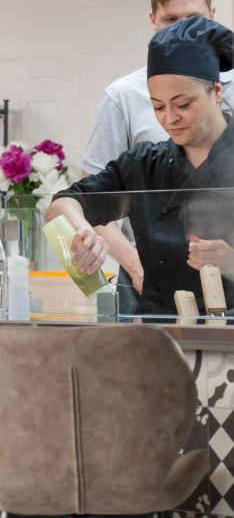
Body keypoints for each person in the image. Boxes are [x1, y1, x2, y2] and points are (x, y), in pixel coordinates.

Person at [48, 16, 234, 314]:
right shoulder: (145, 164)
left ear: (216, 91)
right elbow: (63, 203)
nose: (169, 118)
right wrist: (84, 233)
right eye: (158, 106)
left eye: (183, 104)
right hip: (158, 335)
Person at [82, 0, 234, 297]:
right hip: (145, 271)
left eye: (193, 19)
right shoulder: (122, 96)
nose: (171, 116)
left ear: (212, 13)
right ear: (152, 20)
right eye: (170, 20)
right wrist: (136, 265)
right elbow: (99, 197)